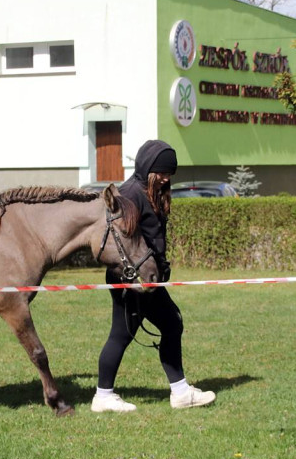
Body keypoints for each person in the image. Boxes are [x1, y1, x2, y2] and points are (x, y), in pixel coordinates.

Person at [91, 140, 216, 412]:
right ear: (148, 168)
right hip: (133, 282)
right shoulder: (130, 194)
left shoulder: (150, 191)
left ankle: (109, 394)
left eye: (170, 173)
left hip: (146, 279)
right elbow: (120, 243)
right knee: (161, 325)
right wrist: (129, 281)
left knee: (154, 327)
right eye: (161, 172)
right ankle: (108, 396)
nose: (166, 178)